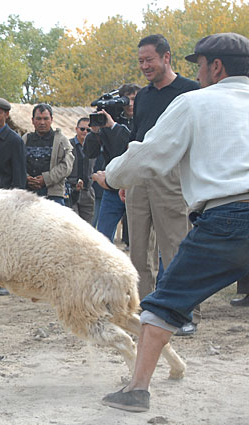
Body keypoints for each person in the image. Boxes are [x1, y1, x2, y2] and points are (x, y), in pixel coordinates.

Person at [94, 33, 249, 412]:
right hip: (228, 212)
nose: (197, 72)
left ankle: (136, 391)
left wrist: (112, 176)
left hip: (227, 216)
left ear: (215, 66)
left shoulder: (194, 101)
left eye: (200, 65)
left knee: (163, 305)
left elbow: (149, 156)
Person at [123, 34, 201, 336]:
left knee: (175, 247)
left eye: (149, 60)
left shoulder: (191, 92)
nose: (144, 66)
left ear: (167, 58)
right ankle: (147, 311)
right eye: (141, 61)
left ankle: (185, 313)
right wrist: (126, 177)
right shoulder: (141, 96)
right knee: (137, 250)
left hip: (172, 177)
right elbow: (137, 136)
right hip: (139, 177)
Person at [85, 83, 140, 241]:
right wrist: (95, 131)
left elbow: (132, 145)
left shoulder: (142, 120)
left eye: (134, 100)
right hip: (112, 185)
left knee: (139, 239)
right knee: (103, 237)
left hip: (137, 185)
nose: (129, 104)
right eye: (126, 100)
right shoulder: (109, 121)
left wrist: (114, 127)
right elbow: (90, 152)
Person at [23, 103, 74, 205]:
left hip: (53, 194)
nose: (42, 122)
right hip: (27, 192)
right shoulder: (25, 139)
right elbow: (16, 163)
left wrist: (46, 179)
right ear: (32, 120)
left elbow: (67, 166)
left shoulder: (61, 140)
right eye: (38, 118)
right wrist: (26, 178)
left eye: (46, 119)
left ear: (51, 119)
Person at [66, 117, 95, 222]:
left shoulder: (94, 147)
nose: (85, 132)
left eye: (88, 130)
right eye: (82, 129)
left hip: (87, 192)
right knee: (73, 225)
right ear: (76, 129)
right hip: (71, 190)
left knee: (87, 228)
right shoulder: (67, 145)